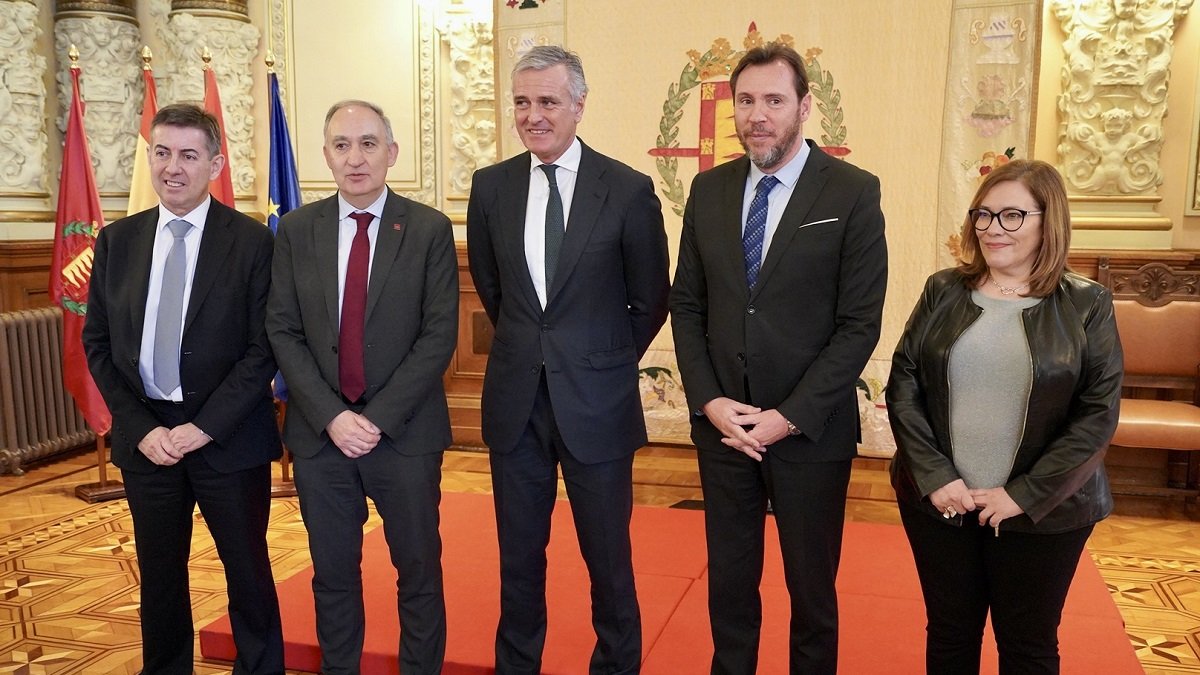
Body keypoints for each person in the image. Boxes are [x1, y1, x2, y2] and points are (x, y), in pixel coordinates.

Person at [669, 43, 888, 674]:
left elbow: (858, 325)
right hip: (725, 431)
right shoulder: (708, 192)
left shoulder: (853, 192)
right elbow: (688, 305)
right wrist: (710, 403)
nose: (758, 115)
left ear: (804, 106)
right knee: (729, 589)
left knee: (812, 594)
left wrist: (787, 416)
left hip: (808, 434)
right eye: (745, 100)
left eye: (774, 99)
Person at [466, 45, 670, 674]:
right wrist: (539, 352)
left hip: (598, 408)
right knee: (518, 558)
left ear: (579, 105)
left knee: (607, 560)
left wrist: (598, 362)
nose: (534, 115)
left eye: (548, 101)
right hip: (516, 406)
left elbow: (651, 299)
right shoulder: (491, 187)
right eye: (522, 102)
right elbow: (494, 290)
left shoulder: (629, 190)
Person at [887, 159, 1123, 673]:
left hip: (1045, 511)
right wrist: (934, 476)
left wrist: (1024, 494)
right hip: (941, 502)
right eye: (984, 215)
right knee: (950, 634)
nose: (993, 229)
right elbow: (903, 384)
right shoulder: (943, 289)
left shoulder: (1088, 304)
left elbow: (1097, 415)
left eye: (1012, 215)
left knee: (1028, 645)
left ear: (1048, 220)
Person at [82, 103, 283, 675]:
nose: (173, 167)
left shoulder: (253, 243)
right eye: (162, 153)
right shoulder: (116, 240)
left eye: (189, 155)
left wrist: (203, 427)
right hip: (148, 445)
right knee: (160, 577)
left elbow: (261, 350)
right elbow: (97, 342)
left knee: (248, 572)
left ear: (215, 164)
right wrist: (142, 429)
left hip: (227, 440)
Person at [266, 100, 458, 675]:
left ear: (391, 153)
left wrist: (374, 419)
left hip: (404, 435)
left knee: (419, 572)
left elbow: (439, 334)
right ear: (325, 155)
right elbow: (283, 328)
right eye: (342, 145)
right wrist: (332, 416)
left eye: (369, 143)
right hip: (321, 438)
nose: (356, 157)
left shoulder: (428, 229)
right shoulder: (297, 230)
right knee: (332, 575)